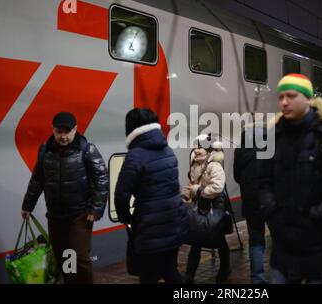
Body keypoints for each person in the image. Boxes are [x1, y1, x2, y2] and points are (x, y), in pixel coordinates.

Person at [258, 74, 322, 284]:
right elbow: (262, 180)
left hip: (318, 246)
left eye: (291, 96)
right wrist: (271, 210)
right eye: (280, 97)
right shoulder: (274, 136)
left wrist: (320, 214)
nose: (284, 102)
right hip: (282, 245)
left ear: (307, 99)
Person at [21, 112, 109, 284]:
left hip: (80, 215)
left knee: (79, 256)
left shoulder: (87, 149)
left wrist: (96, 209)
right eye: (59, 131)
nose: (63, 136)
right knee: (63, 256)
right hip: (55, 215)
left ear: (75, 129)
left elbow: (102, 178)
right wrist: (27, 205)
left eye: (67, 131)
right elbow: (37, 180)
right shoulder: (45, 150)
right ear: (52, 130)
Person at [114, 108, 188, 284]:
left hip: (150, 227)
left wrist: (127, 219)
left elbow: (121, 194)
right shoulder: (168, 151)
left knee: (148, 276)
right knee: (170, 270)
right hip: (173, 221)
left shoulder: (135, 156)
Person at [182, 134, 231, 284]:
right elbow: (193, 183)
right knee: (196, 239)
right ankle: (189, 275)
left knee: (218, 238)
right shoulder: (195, 164)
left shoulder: (214, 165)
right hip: (201, 204)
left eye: (200, 147)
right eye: (195, 147)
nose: (196, 150)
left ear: (209, 150)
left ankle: (224, 268)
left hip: (215, 206)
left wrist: (197, 189)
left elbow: (217, 187)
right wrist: (187, 194)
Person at [234, 123, 268, 284]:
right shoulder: (272, 149)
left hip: (251, 202)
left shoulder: (240, 151)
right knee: (280, 241)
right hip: (272, 201)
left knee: (256, 242)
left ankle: (257, 279)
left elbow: (236, 177)